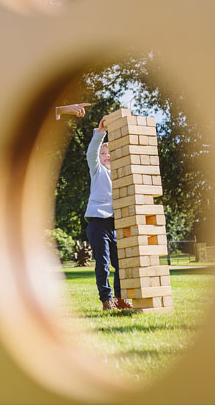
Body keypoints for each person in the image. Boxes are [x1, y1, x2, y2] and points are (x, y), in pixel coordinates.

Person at [85, 116, 131, 311]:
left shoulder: (120, 176)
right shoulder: (97, 171)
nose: (107, 156)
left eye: (110, 153)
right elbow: (92, 152)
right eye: (104, 153)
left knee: (120, 263)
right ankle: (107, 300)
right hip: (97, 222)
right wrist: (100, 132)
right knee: (103, 264)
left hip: (114, 224)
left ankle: (120, 298)